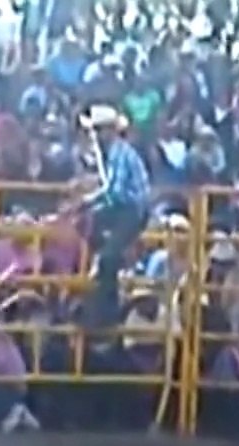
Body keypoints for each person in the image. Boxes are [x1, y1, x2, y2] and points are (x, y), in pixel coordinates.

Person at [65, 105, 151, 330]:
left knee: (108, 258)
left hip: (132, 210)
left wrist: (87, 201)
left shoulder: (118, 152)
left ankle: (104, 316)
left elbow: (116, 192)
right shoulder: (115, 152)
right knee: (93, 234)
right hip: (124, 208)